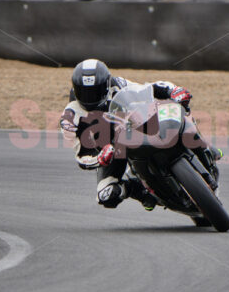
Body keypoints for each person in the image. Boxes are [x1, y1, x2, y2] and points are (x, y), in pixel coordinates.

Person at [60, 58, 220, 211]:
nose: (90, 98)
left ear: (106, 85)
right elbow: (81, 156)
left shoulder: (118, 84)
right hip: (112, 151)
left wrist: (174, 90)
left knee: (176, 110)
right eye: (84, 92)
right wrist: (99, 158)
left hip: (136, 125)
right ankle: (141, 192)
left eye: (95, 91)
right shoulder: (70, 117)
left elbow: (148, 89)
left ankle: (204, 146)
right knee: (106, 195)